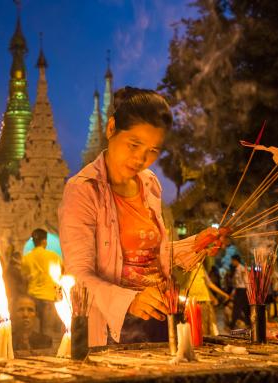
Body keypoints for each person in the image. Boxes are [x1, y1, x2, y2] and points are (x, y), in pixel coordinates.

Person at [59, 87, 226, 346]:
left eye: (153, 150)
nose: (141, 158)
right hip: (114, 329)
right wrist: (131, 301)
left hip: (161, 316)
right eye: (134, 144)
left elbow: (148, 255)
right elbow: (79, 275)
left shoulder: (149, 183)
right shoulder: (83, 189)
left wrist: (195, 245)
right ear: (111, 128)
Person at [21, 228, 62, 340]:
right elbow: (61, 276)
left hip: (32, 297)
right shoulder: (53, 256)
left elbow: (24, 276)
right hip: (48, 297)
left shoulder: (27, 257)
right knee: (47, 331)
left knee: (33, 331)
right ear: (44, 241)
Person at [230, 254, 250, 328]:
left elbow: (246, 279)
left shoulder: (242, 269)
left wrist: (248, 290)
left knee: (237, 307)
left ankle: (233, 323)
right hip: (239, 290)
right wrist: (233, 291)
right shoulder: (236, 269)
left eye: (232, 260)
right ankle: (248, 322)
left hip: (242, 290)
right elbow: (236, 282)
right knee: (244, 307)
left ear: (235, 260)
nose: (231, 262)